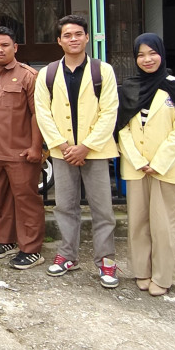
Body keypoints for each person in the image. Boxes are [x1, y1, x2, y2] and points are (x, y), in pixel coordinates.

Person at [34, 14, 121, 288]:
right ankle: (67, 255)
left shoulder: (102, 71)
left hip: (94, 150)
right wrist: (62, 145)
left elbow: (109, 112)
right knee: (65, 206)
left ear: (86, 37)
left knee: (102, 209)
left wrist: (85, 146)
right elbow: (43, 113)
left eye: (78, 34)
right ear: (59, 40)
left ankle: (106, 260)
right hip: (62, 152)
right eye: (67, 35)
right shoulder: (47, 73)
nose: (73, 39)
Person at [116, 33, 175, 297]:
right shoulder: (129, 88)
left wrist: (158, 161)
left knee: (163, 224)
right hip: (136, 167)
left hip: (166, 168)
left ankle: (163, 276)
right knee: (138, 222)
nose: (147, 59)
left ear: (162, 54)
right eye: (140, 54)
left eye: (152, 53)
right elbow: (121, 129)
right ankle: (142, 270)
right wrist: (139, 161)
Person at [0, 27, 46, 270]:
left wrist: (36, 147)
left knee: (26, 200)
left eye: (5, 45)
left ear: (15, 47)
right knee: (2, 199)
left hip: (21, 152)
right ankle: (6, 240)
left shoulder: (29, 76)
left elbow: (38, 114)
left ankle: (31, 248)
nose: (0, 49)